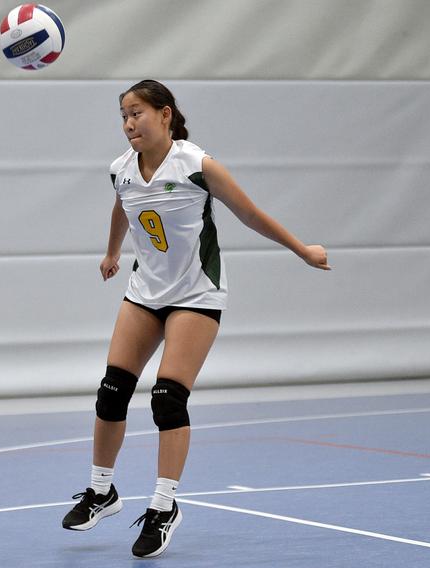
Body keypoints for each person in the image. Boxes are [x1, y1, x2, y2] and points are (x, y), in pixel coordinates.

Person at [60, 80, 331, 558]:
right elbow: (123, 206)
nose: (128, 123)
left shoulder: (196, 165)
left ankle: (164, 506)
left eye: (137, 113)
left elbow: (250, 214)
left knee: (166, 398)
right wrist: (112, 252)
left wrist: (302, 250)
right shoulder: (121, 169)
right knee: (112, 389)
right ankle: (102, 491)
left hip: (197, 294)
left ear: (165, 115)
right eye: (123, 115)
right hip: (145, 292)